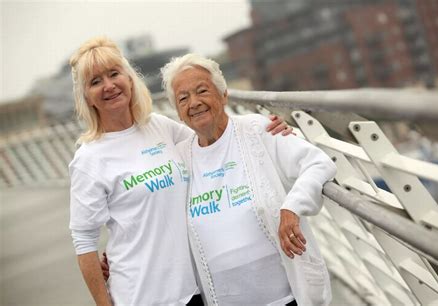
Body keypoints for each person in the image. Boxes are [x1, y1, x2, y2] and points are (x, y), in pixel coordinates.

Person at [68, 37, 291, 306]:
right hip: (142, 296)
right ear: (87, 97)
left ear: (129, 79)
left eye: (114, 74)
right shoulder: (89, 158)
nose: (109, 85)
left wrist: (264, 129)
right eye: (95, 81)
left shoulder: (160, 127)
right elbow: (84, 243)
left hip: (196, 288)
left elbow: (215, 141)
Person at [160, 54, 337, 305]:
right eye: (183, 98)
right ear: (178, 112)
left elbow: (319, 163)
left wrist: (292, 207)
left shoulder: (258, 130)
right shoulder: (180, 159)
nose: (194, 103)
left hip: (287, 299)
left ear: (223, 95)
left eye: (202, 91)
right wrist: (115, 258)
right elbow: (153, 211)